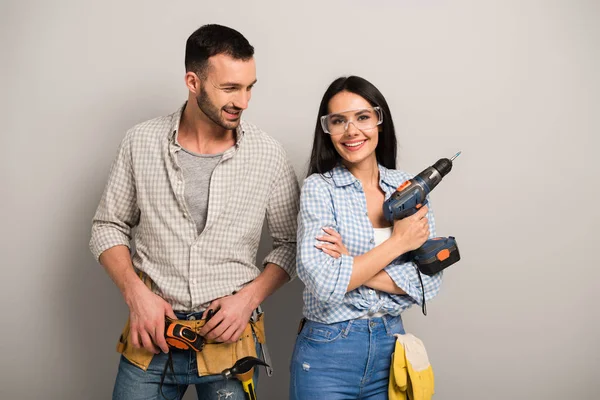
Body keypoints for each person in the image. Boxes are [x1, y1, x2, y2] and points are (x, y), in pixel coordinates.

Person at [89, 24, 300, 400]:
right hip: (152, 335)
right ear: (193, 81)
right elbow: (107, 226)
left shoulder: (268, 153)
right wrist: (135, 294)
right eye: (230, 88)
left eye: (250, 87)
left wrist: (248, 299)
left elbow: (291, 243)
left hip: (230, 338)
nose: (244, 101)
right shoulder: (141, 141)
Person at [290, 76, 443, 399]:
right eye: (338, 121)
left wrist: (351, 266)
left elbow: (428, 284)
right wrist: (399, 243)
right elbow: (325, 284)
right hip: (327, 356)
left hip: (392, 351)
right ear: (327, 130)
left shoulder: (408, 187)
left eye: (362, 117)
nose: (351, 131)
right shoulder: (321, 189)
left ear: (379, 121)